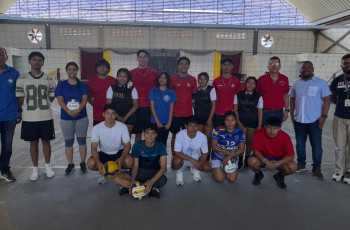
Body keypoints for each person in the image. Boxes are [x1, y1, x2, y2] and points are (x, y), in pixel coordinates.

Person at [16, 52, 57, 181]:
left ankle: (48, 166)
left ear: (43, 63)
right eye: (34, 60)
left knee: (46, 142)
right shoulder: (22, 79)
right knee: (33, 143)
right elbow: (21, 98)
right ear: (29, 61)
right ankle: (35, 169)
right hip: (30, 117)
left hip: (46, 116)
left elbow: (51, 97)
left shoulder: (49, 79)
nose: (37, 62)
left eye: (39, 60)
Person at [290, 61, 331, 179]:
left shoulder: (320, 83)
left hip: (315, 121)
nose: (306, 70)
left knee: (316, 145)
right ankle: (301, 163)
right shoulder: (296, 83)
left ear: (313, 69)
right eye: (303, 68)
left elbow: (327, 99)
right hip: (299, 120)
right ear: (300, 70)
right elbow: (292, 99)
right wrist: (292, 114)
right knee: (299, 144)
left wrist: (323, 116)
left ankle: (316, 167)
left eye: (308, 68)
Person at [114, 125, 167, 198]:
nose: (150, 135)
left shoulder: (161, 146)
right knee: (116, 178)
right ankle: (145, 188)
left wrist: (151, 182)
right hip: (139, 172)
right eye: (147, 133)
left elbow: (164, 168)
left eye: (152, 133)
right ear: (143, 134)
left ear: (156, 135)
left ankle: (132, 187)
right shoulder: (137, 145)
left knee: (163, 180)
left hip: (152, 173)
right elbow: (135, 166)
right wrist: (132, 180)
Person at [55, 62, 89, 175]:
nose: (72, 71)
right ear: (67, 71)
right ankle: (70, 164)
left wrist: (78, 110)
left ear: (77, 70)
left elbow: (84, 99)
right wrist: (68, 111)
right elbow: (60, 100)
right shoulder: (61, 84)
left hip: (81, 118)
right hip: (66, 118)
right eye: (69, 69)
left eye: (74, 69)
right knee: (68, 142)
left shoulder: (83, 85)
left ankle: (83, 163)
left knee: (82, 141)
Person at [87, 104, 133, 184]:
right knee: (90, 164)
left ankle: (121, 174)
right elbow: (94, 148)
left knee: (130, 162)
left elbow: (128, 146)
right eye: (108, 113)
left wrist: (121, 159)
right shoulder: (96, 128)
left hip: (119, 152)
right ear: (103, 114)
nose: (110, 116)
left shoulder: (122, 127)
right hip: (104, 153)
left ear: (116, 115)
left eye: (113, 113)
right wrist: (98, 162)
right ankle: (104, 172)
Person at [248, 117, 297, 189]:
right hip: (264, 157)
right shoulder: (259, 133)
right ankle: (258, 174)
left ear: (279, 128)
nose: (271, 131)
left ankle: (280, 176)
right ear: (265, 127)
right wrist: (265, 161)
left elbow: (290, 155)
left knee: (293, 167)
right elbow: (255, 150)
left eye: (275, 128)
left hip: (279, 158)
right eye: (269, 128)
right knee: (251, 161)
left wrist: (278, 163)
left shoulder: (285, 137)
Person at [0, 47, 20, 182]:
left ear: (6, 57)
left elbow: (19, 94)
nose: (0, 57)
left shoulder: (14, 73)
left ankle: (5, 170)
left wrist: (20, 111)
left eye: (2, 55)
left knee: (7, 145)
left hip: (9, 115)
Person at [171, 116, 211, 185]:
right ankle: (179, 173)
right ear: (186, 126)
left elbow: (205, 153)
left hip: (196, 159)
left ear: (198, 127)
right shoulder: (180, 135)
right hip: (182, 158)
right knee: (176, 162)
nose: (193, 129)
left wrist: (199, 164)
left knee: (206, 167)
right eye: (190, 126)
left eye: (195, 126)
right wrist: (191, 159)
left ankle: (195, 170)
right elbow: (177, 152)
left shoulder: (202, 136)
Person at [234, 76, 263, 168]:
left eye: (253, 83)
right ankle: (240, 160)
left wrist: (259, 125)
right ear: (245, 84)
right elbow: (235, 109)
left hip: (252, 122)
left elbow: (260, 112)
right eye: (248, 82)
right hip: (241, 121)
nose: (250, 85)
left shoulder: (258, 96)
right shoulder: (238, 94)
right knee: (241, 142)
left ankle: (247, 159)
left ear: (255, 85)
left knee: (249, 142)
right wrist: (238, 122)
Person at [170, 57, 197, 154]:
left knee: (188, 136)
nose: (183, 66)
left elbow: (194, 97)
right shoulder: (172, 79)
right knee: (175, 135)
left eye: (186, 64)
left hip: (188, 114)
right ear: (178, 66)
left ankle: (187, 155)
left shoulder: (193, 79)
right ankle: (174, 155)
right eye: (181, 64)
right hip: (175, 114)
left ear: (189, 66)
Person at [330, 54, 350, 184]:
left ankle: (349, 171)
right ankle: (339, 170)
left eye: (349, 63)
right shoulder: (337, 80)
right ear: (341, 65)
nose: (347, 66)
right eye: (345, 64)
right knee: (339, 146)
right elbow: (332, 96)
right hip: (339, 116)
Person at [130, 50, 158, 142]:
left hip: (149, 107)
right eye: (140, 57)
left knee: (149, 133)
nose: (142, 59)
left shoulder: (154, 73)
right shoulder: (131, 73)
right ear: (137, 58)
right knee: (138, 134)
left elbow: (157, 90)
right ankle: (136, 155)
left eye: (144, 57)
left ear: (148, 58)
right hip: (136, 107)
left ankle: (148, 154)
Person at [211, 111, 245, 183]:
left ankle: (222, 170)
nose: (230, 123)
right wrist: (227, 152)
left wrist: (229, 156)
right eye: (227, 120)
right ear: (224, 121)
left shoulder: (240, 132)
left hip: (232, 157)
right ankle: (215, 169)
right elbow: (214, 145)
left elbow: (241, 149)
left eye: (232, 120)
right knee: (219, 179)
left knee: (231, 180)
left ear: (236, 121)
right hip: (218, 157)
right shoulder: (218, 130)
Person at [256, 56, 289, 126]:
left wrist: (286, 110)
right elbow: (256, 96)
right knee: (264, 133)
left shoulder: (285, 79)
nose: (274, 66)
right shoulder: (261, 79)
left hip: (279, 112)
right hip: (264, 112)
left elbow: (286, 95)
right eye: (272, 64)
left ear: (280, 66)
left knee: (276, 134)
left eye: (276, 64)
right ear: (268, 66)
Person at [106, 68, 138, 136]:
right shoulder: (112, 88)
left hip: (129, 117)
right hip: (114, 117)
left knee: (126, 140)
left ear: (128, 77)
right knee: (116, 139)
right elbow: (109, 105)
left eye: (124, 76)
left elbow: (136, 105)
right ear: (117, 77)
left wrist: (125, 118)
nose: (122, 79)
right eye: (120, 76)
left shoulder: (132, 88)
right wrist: (118, 117)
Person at [212, 58, 243, 128]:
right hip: (218, 113)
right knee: (218, 134)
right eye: (224, 65)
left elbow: (238, 98)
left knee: (230, 135)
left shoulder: (236, 81)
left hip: (231, 114)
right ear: (221, 66)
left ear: (232, 66)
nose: (226, 67)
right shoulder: (216, 81)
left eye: (228, 65)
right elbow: (213, 99)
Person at [149, 72, 177, 145]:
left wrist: (169, 122)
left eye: (164, 78)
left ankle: (163, 156)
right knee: (154, 143)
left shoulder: (171, 92)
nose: (162, 79)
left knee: (163, 143)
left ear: (167, 80)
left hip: (166, 122)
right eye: (160, 77)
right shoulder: (153, 91)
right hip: (155, 122)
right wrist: (157, 121)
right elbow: (152, 107)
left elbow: (171, 109)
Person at [87, 59, 116, 126]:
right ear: (96, 69)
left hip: (112, 113)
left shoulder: (114, 81)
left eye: (104, 66)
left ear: (108, 69)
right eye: (100, 66)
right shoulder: (91, 82)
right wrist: (95, 105)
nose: (102, 68)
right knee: (99, 134)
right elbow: (88, 97)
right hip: (98, 114)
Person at [193, 72, 216, 150]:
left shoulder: (211, 89)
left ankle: (207, 157)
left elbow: (214, 105)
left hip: (208, 118)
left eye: (204, 79)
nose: (202, 81)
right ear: (198, 80)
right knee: (200, 139)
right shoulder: (195, 90)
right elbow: (193, 103)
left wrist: (210, 119)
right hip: (198, 117)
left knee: (207, 139)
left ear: (207, 80)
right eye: (200, 79)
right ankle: (201, 156)